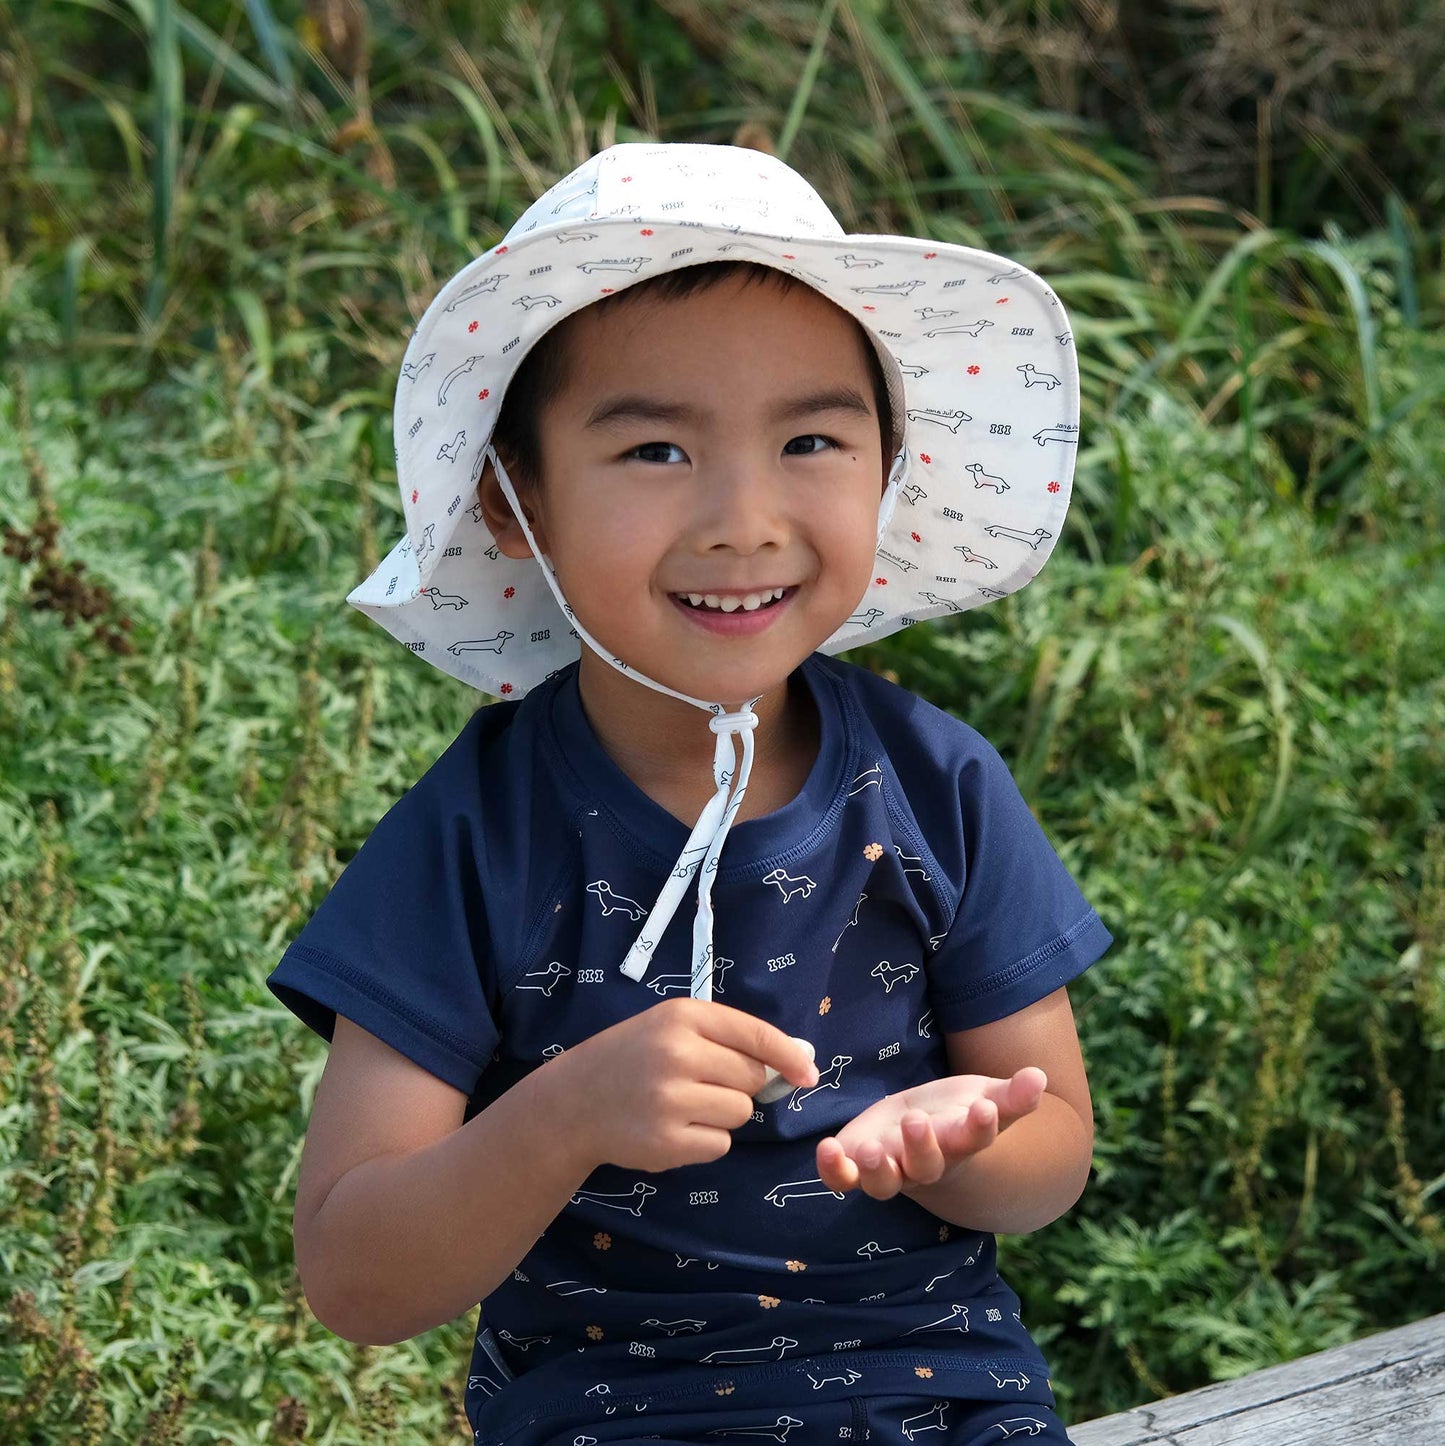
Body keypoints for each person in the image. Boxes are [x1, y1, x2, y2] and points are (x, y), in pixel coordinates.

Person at [267, 142, 1112, 1446]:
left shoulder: (934, 785)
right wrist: (560, 1116)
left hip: (936, 1393)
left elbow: (1052, 1154)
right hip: (614, 1416)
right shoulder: (473, 838)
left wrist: (961, 1143)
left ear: (886, 464)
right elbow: (354, 1272)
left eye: (810, 437)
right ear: (511, 499)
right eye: (656, 447)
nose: (743, 516)